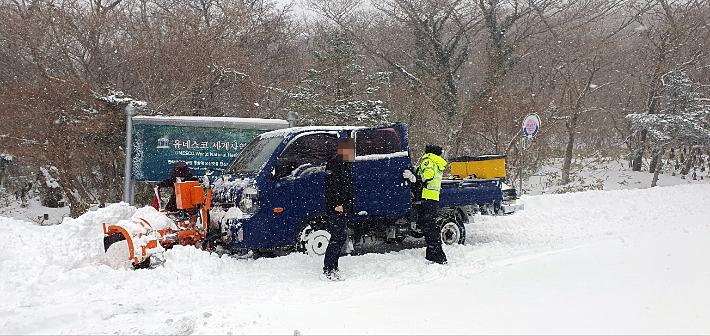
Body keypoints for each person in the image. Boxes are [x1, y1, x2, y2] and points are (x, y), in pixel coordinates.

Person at [322, 137, 355, 281]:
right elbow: (332, 187)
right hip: (337, 208)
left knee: (340, 238)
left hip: (343, 207)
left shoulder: (344, 164)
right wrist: (337, 204)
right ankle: (328, 268)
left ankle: (333, 266)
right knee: (337, 238)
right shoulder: (335, 164)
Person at [416, 144, 448, 264]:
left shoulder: (428, 160)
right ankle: (431, 254)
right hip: (432, 197)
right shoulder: (437, 162)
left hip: (426, 197)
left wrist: (416, 179)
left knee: (430, 228)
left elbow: (428, 175)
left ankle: (439, 256)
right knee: (429, 227)